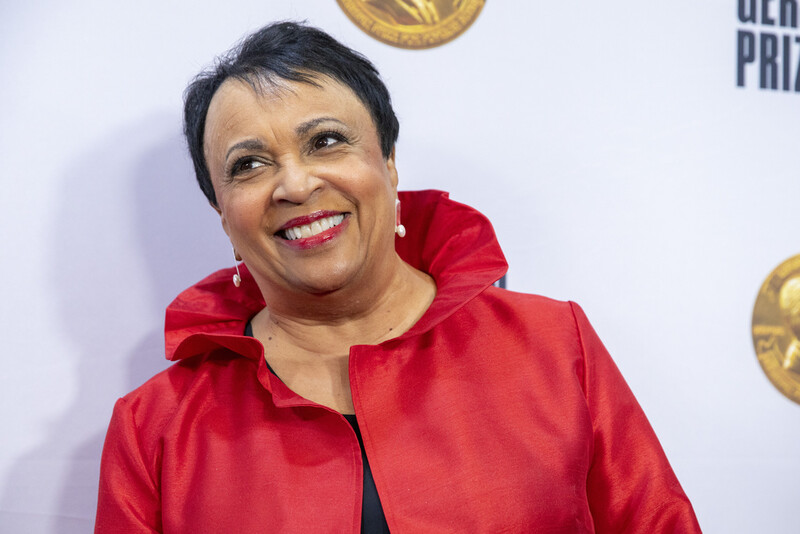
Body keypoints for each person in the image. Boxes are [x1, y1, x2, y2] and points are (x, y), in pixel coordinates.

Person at [95, 21, 701, 533]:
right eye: (249, 165)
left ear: (387, 162)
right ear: (221, 213)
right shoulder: (155, 430)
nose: (296, 185)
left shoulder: (554, 345)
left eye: (326, 141)